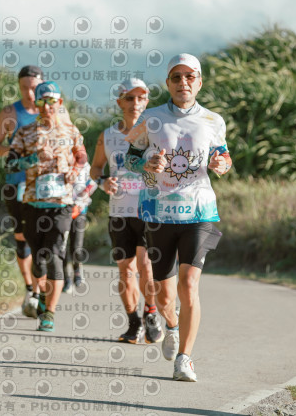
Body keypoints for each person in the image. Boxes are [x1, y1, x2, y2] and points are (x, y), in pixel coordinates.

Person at [125, 53, 232, 382]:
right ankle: (171, 325)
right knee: (165, 295)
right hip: (158, 212)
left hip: (199, 211)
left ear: (199, 82)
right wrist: (145, 164)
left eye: (190, 76)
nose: (183, 82)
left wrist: (221, 164)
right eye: (176, 77)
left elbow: (223, 156)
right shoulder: (151, 118)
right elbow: (130, 157)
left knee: (189, 284)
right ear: (168, 83)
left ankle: (184, 359)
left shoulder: (213, 120)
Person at [6, 81, 87, 332]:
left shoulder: (70, 130)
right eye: (42, 101)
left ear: (59, 103)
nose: (47, 106)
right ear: (36, 103)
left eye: (52, 101)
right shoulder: (25, 132)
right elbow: (10, 164)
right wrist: (33, 159)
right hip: (32, 202)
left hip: (61, 203)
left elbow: (82, 156)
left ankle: (49, 313)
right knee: (38, 258)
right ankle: (41, 295)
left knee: (54, 255)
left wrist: (75, 171)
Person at [90, 78, 164, 345]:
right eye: (129, 98)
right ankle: (134, 322)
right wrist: (103, 182)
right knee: (125, 269)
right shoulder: (107, 136)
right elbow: (95, 168)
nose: (135, 103)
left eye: (141, 98)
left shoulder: (156, 132)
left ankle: (151, 313)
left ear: (147, 102)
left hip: (148, 209)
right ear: (119, 102)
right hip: (119, 211)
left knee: (146, 266)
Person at [0, 65, 43, 318]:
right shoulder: (10, 112)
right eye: (24, 88)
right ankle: (31, 288)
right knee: (22, 237)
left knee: (41, 239)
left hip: (46, 186)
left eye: (34, 88)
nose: (30, 94)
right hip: (16, 183)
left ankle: (41, 292)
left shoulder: (53, 110)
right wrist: (14, 151)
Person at [63, 162, 97, 293]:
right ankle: (66, 278)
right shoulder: (62, 161)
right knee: (62, 246)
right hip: (63, 209)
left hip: (80, 210)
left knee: (76, 246)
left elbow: (93, 182)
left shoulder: (85, 165)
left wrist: (83, 195)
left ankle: (77, 271)